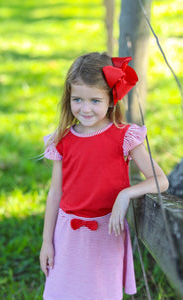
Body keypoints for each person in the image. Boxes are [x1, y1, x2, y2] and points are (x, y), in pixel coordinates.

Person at [40, 52, 169, 300]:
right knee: (61, 293)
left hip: (107, 233)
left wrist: (126, 193)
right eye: (77, 99)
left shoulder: (124, 136)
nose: (85, 109)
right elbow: (55, 192)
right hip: (67, 233)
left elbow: (160, 181)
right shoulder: (63, 140)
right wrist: (47, 241)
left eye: (95, 101)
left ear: (111, 100)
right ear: (69, 98)